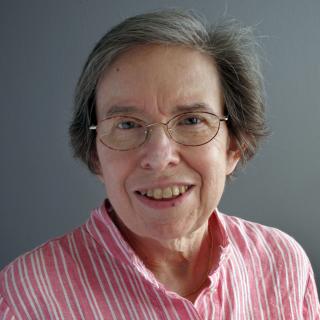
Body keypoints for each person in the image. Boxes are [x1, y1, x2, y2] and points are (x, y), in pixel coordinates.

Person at [0, 9, 319, 320]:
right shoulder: (26, 299)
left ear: (234, 146)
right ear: (95, 155)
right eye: (126, 124)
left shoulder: (283, 264)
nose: (159, 156)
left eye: (192, 120)